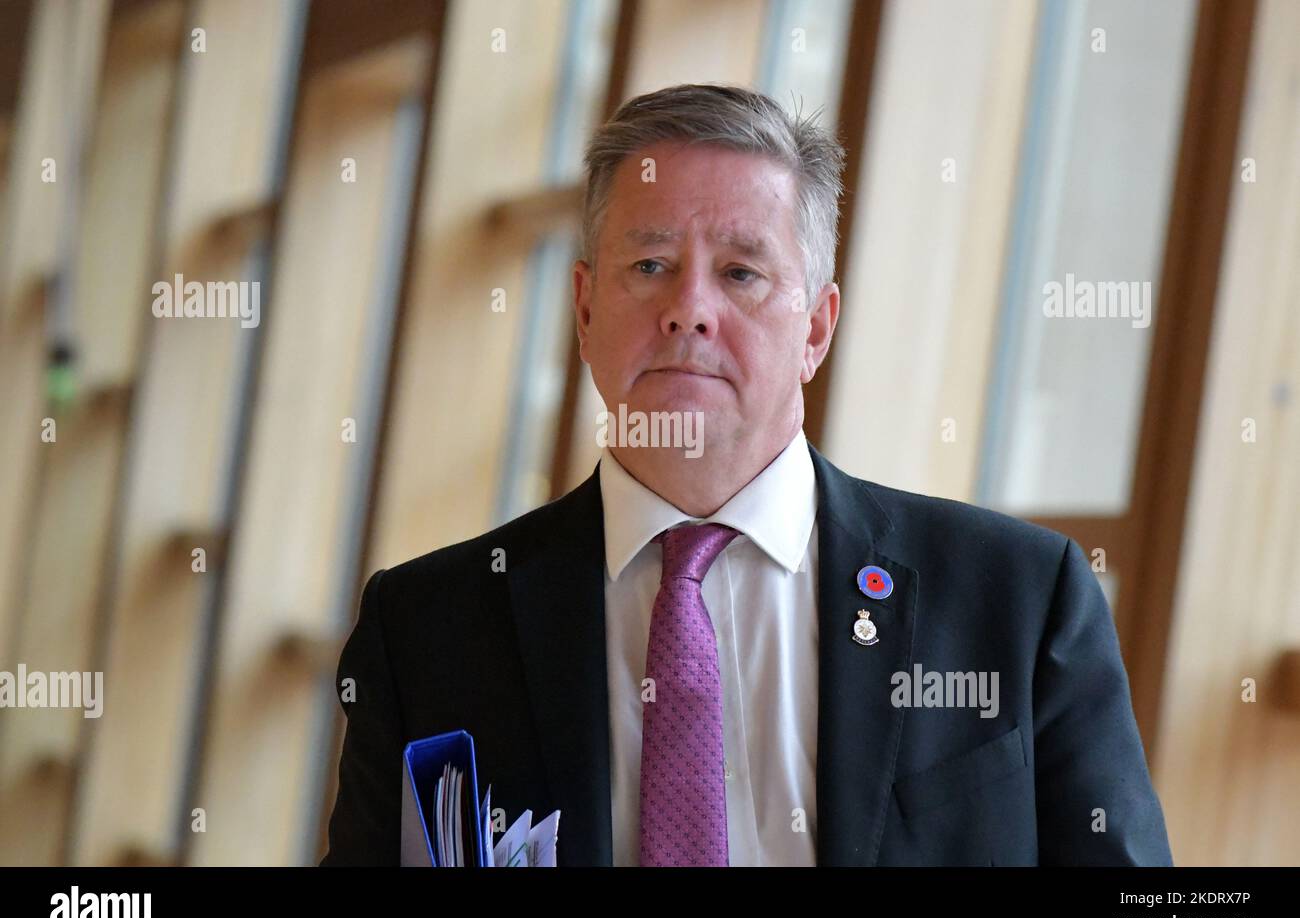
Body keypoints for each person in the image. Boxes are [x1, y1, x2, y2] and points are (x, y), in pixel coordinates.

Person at [321, 83, 1172, 866]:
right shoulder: (428, 628)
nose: (689, 307)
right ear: (584, 308)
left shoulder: (1018, 599)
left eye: (740, 273)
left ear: (816, 329)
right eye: (649, 265)